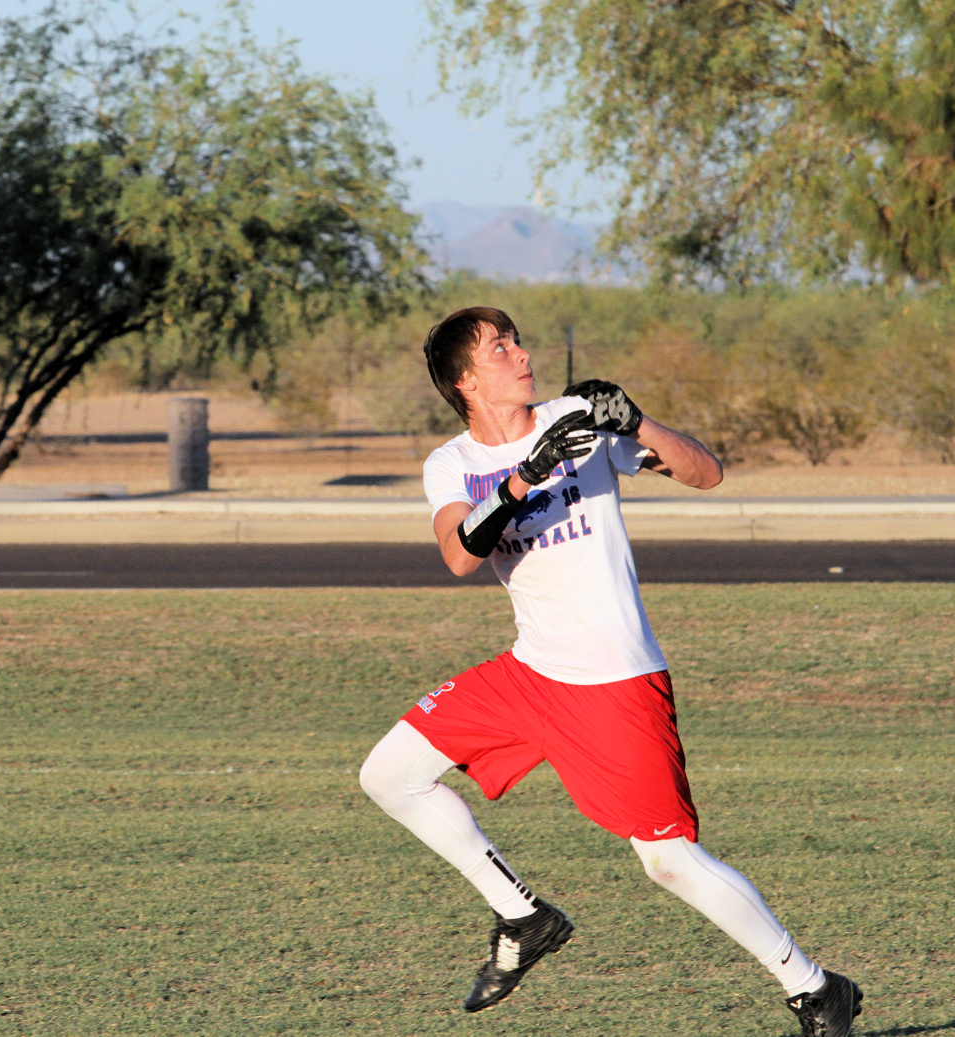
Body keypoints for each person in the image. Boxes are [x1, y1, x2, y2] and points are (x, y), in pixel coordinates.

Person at [358, 307, 863, 1036]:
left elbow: (706, 473)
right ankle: (521, 916)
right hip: (530, 673)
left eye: (517, 339)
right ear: (466, 380)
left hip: (614, 679)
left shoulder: (578, 418)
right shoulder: (452, 462)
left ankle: (816, 989)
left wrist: (639, 421)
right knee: (388, 773)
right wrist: (520, 482)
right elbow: (460, 552)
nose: (522, 353)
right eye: (500, 348)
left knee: (668, 862)